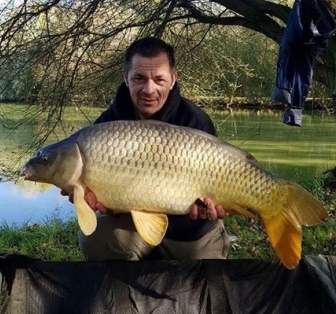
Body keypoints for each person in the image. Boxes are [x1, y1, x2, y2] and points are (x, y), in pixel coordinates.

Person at [65, 37, 230, 261]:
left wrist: (213, 206)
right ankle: (125, 289)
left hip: (189, 230)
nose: (149, 89)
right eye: (139, 78)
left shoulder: (195, 122)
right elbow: (102, 200)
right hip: (132, 225)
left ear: (173, 80)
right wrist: (103, 202)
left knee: (204, 277)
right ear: (126, 78)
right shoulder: (105, 127)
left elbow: (217, 188)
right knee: (96, 238)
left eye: (159, 79)